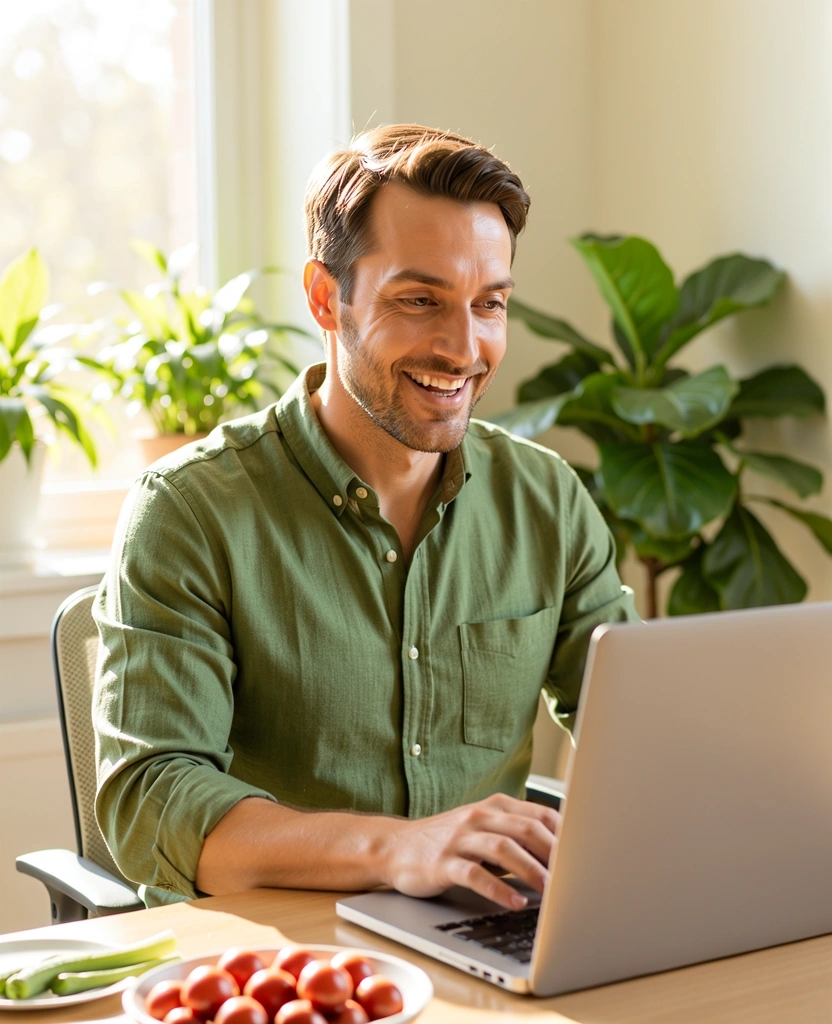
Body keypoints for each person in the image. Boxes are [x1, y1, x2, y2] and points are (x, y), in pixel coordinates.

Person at [93, 124, 638, 913]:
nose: (463, 347)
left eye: (489, 304)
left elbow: (642, 731)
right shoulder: (190, 510)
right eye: (420, 301)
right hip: (283, 963)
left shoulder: (546, 500)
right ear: (326, 297)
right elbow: (151, 806)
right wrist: (401, 848)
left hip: (483, 939)